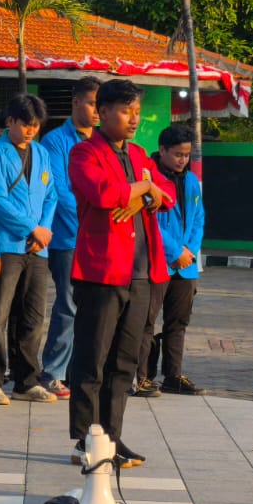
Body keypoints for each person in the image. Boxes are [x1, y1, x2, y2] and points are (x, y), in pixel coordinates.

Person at [66, 79, 175, 468]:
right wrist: (144, 187)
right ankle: (85, 438)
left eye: (137, 113)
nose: (134, 119)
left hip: (143, 272)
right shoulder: (84, 152)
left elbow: (167, 195)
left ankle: (111, 437)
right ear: (104, 112)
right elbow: (102, 194)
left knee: (125, 363)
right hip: (102, 271)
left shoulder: (141, 154)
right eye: (126, 112)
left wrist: (143, 190)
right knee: (92, 359)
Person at [0, 94, 58, 405]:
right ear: (10, 121)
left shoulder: (41, 153)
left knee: (33, 316)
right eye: (25, 124)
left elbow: (51, 195)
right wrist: (30, 227)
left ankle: (26, 381)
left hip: (38, 247)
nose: (30, 131)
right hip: (7, 244)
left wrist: (44, 230)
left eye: (35, 126)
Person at [39, 75, 101, 399]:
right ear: (76, 102)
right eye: (91, 103)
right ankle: (52, 371)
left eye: (99, 104)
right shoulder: (55, 141)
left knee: (93, 309)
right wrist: (91, 218)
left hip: (97, 240)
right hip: (67, 238)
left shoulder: (102, 142)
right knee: (68, 305)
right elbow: (61, 191)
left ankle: (79, 372)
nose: (96, 110)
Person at [145, 124, 204, 395]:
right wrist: (173, 252)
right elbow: (151, 222)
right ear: (162, 150)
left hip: (186, 266)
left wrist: (188, 251)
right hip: (157, 261)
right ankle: (142, 375)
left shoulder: (191, 181)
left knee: (177, 323)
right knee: (146, 321)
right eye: (178, 154)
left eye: (187, 155)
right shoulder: (149, 178)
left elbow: (198, 218)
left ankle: (173, 376)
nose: (183, 160)